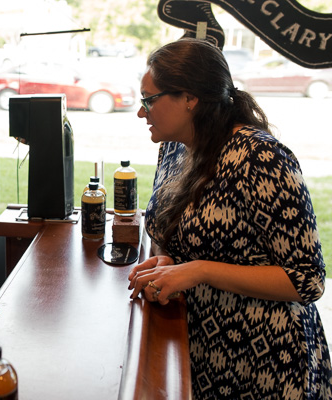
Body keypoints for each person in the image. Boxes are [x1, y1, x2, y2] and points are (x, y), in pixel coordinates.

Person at [128, 38, 331, 399]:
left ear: (190, 99)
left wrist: (199, 269)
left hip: (268, 362)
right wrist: (168, 258)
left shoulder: (261, 158)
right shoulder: (173, 148)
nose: (141, 112)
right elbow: (175, 229)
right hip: (207, 351)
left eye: (149, 99)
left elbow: (307, 281)